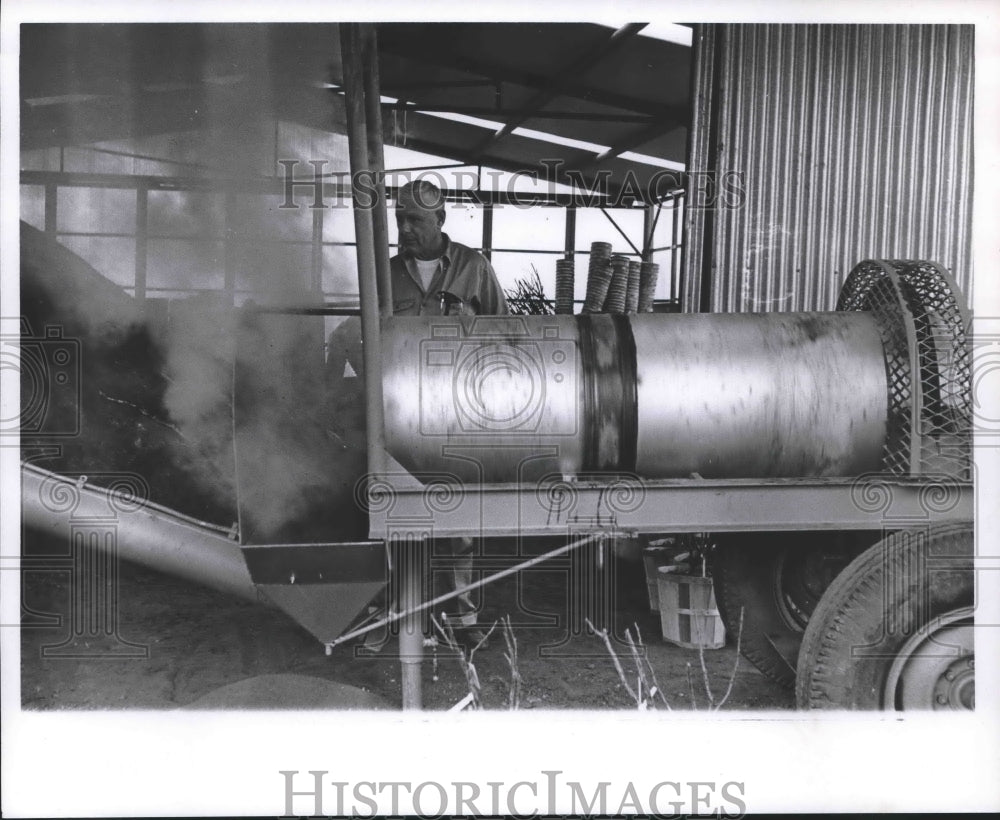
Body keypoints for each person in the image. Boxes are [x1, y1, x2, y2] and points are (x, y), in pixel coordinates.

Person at [391, 179, 508, 649]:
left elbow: (503, 332)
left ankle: (464, 617)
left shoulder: (473, 268)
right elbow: (359, 336)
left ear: (440, 220)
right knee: (401, 515)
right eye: (399, 218)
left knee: (459, 519)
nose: (404, 228)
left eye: (415, 220)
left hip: (458, 412)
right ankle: (408, 615)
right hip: (401, 412)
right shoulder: (386, 272)